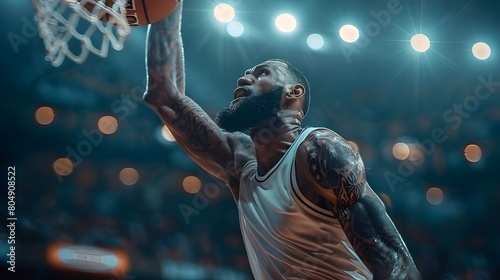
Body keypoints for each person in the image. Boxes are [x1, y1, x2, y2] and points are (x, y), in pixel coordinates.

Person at [143, 2, 421, 279]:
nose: (243, 78)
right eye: (247, 73)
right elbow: (165, 96)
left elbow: (394, 258)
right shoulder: (240, 164)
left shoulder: (319, 151)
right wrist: (168, 5)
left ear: (293, 92)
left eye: (261, 73)